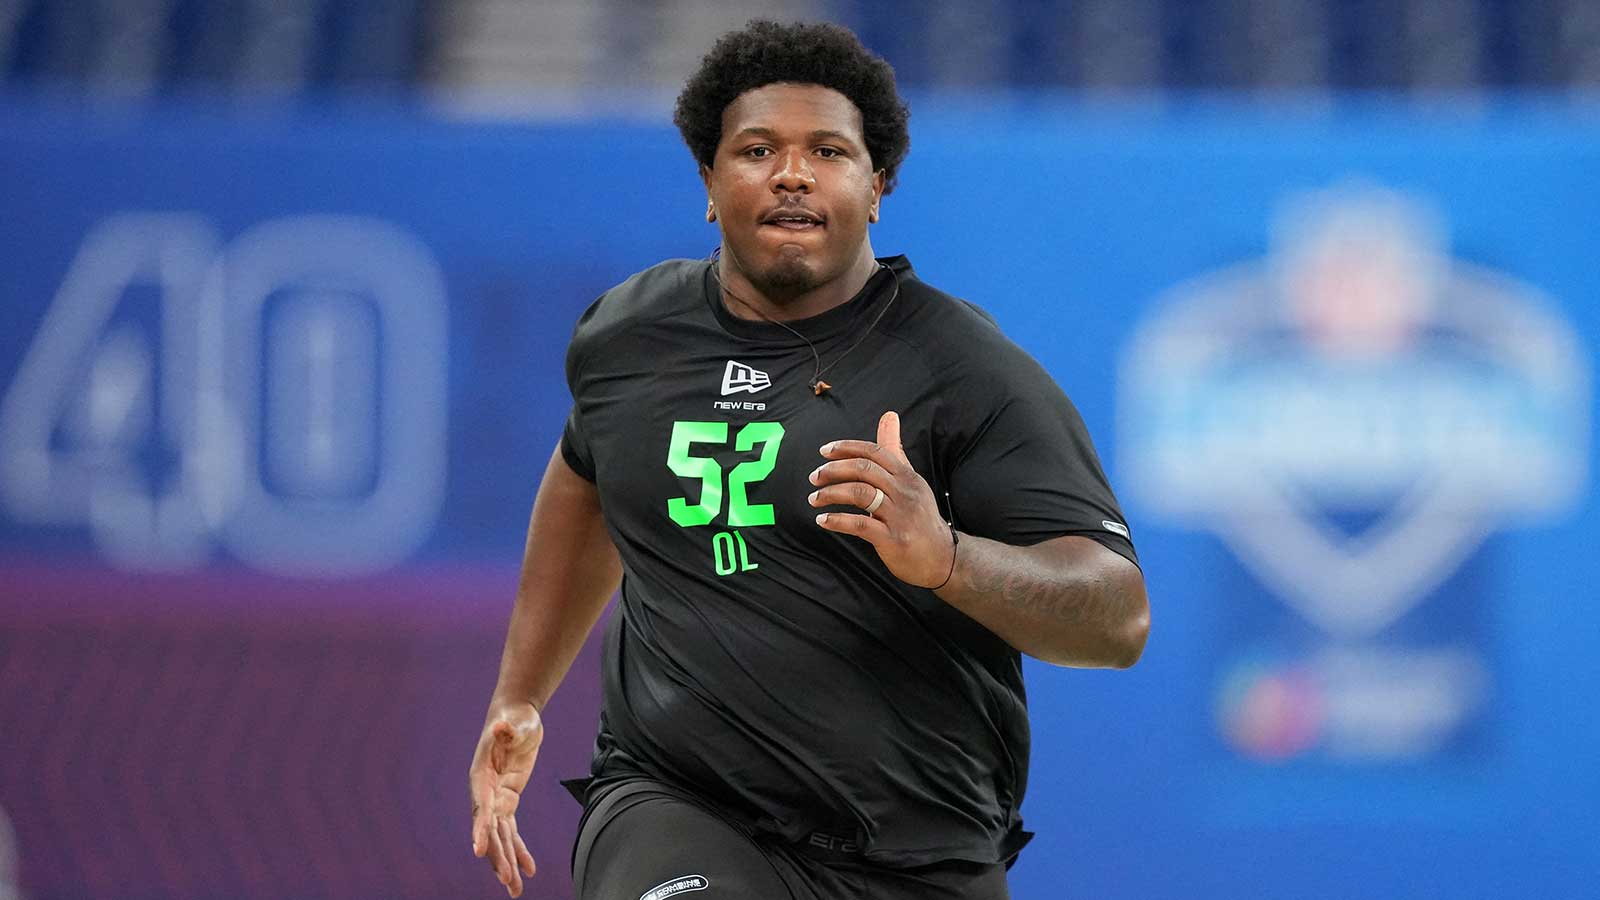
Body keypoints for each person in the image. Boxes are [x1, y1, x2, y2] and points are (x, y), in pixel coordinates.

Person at [468, 19, 1149, 900]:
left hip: (919, 850)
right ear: (708, 182)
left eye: (828, 151)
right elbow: (587, 480)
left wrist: (949, 559)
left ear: (878, 186)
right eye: (757, 150)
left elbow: (1117, 617)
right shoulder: (629, 336)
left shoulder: (963, 368)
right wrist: (520, 696)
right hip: (675, 800)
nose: (792, 173)